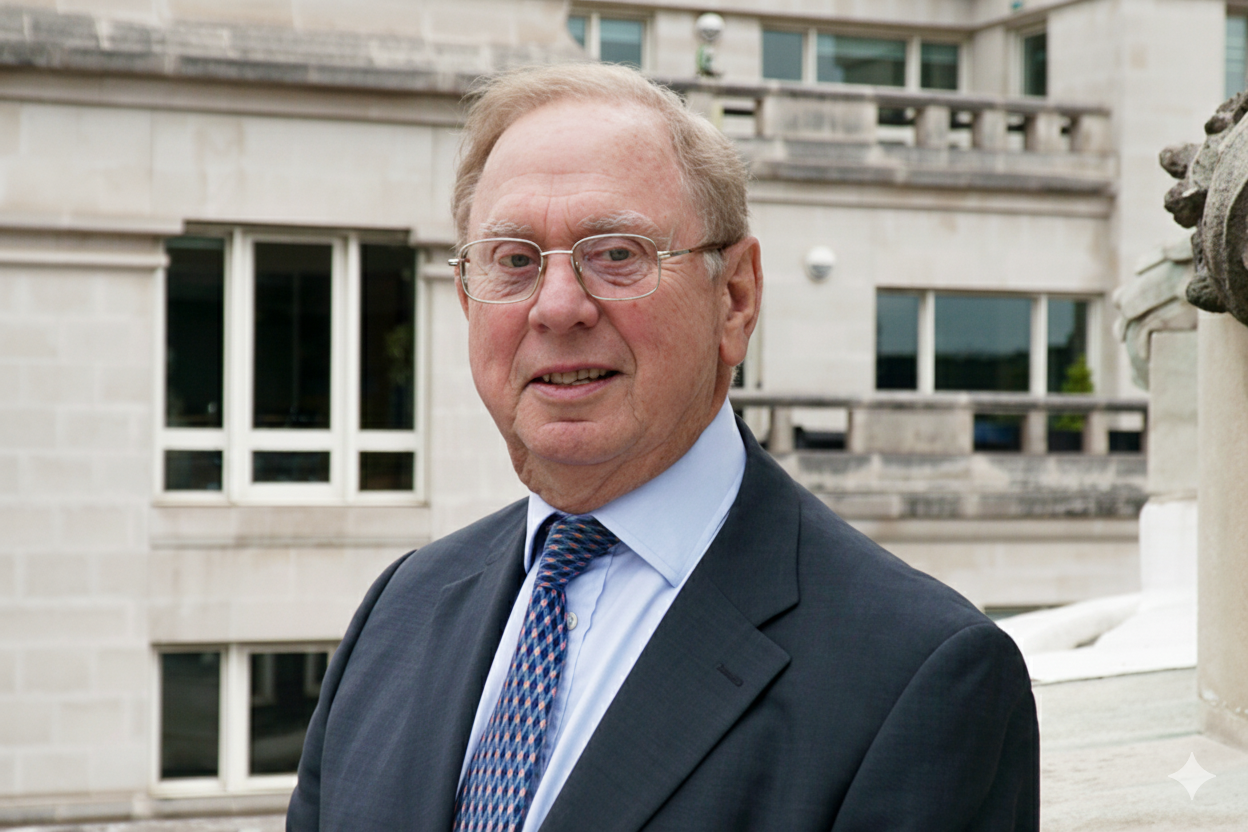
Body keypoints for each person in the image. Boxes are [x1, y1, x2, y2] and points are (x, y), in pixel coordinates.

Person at [287, 62, 1039, 832]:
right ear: (466, 300)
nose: (557, 306)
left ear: (735, 298)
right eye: (513, 260)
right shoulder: (398, 611)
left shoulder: (917, 677)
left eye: (616, 254)